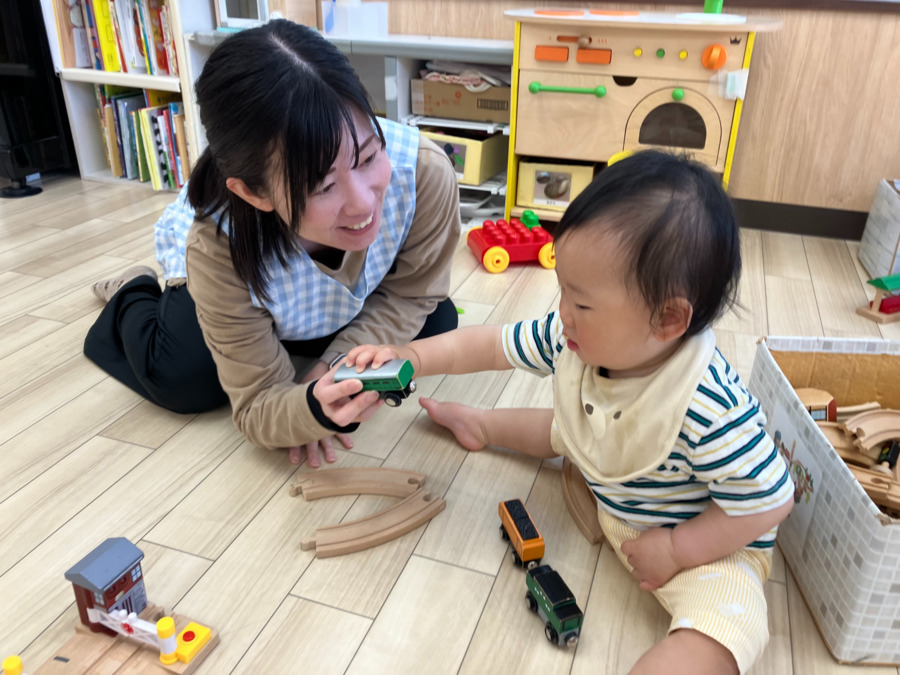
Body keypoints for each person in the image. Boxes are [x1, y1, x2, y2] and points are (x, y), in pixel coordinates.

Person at [343, 151, 794, 674]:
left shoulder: (707, 405)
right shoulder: (574, 336)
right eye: (562, 292)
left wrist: (676, 548)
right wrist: (413, 356)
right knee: (567, 430)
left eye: (581, 303)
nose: (562, 315)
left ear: (668, 318)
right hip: (616, 476)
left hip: (708, 545)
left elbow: (767, 503)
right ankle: (483, 424)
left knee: (729, 626)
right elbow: (490, 346)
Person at [83, 20, 461, 467]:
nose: (363, 204)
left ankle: (305, 337)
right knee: (183, 378)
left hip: (321, 301)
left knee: (438, 320)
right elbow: (258, 404)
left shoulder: (423, 171)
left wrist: (331, 369)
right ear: (254, 193)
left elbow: (413, 292)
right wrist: (310, 410)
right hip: (227, 280)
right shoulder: (217, 245)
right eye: (322, 187)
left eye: (367, 157)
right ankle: (132, 290)